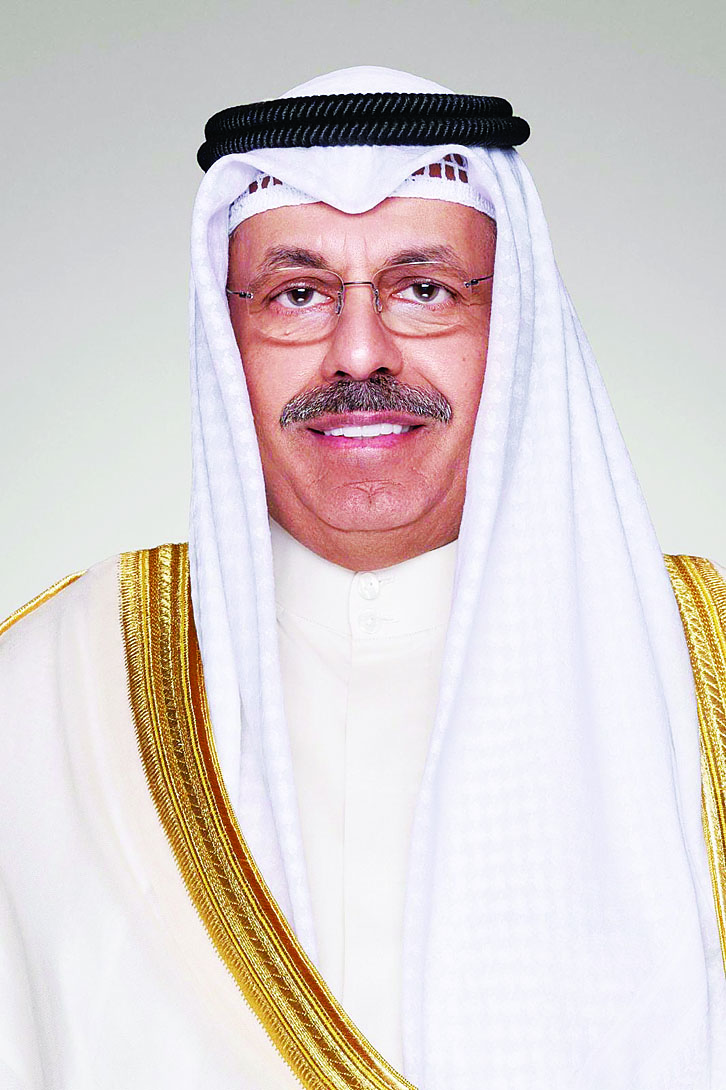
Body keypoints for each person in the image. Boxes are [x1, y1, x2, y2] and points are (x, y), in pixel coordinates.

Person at [1, 65, 725, 1090]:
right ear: (228, 337)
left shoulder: (697, 668)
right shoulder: (51, 688)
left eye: (424, 289)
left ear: (512, 323)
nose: (357, 353)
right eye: (296, 295)